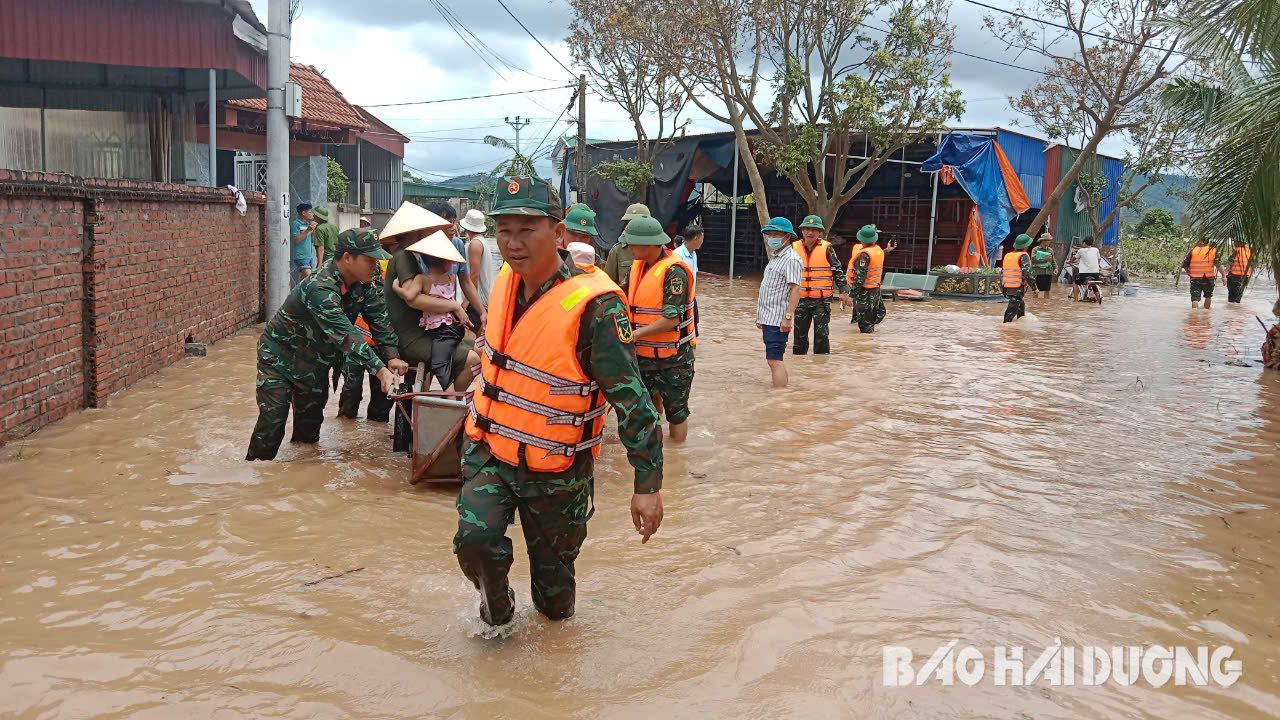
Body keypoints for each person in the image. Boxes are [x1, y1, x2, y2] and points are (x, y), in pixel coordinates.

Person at [455, 176, 664, 627]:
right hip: (491, 453)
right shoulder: (506, 284)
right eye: (504, 230)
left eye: (527, 229)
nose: (513, 243)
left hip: (558, 472)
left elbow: (632, 401)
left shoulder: (597, 307)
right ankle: (498, 613)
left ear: (558, 232)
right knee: (475, 540)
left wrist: (646, 486)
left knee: (554, 606)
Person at [246, 228, 408, 460]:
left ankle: (297, 487)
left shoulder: (366, 282)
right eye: (369, 259)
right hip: (279, 360)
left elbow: (379, 319)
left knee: (308, 434)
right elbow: (345, 334)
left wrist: (391, 356)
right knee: (272, 425)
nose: (375, 265)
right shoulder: (320, 287)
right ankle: (256, 480)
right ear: (347, 258)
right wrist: (379, 370)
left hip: (316, 362)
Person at [624, 216, 696, 443]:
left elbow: (670, 320)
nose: (629, 247)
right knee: (648, 405)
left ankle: (677, 454)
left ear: (651, 245)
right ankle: (657, 446)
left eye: (633, 243)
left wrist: (634, 335)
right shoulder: (638, 266)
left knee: (677, 412)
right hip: (643, 356)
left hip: (674, 358)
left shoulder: (675, 273)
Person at [394, 232, 472, 391]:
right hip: (454, 328)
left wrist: (397, 288)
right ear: (449, 263)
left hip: (441, 331)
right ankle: (453, 398)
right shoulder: (450, 278)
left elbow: (409, 296)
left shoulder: (422, 279)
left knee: (439, 365)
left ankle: (451, 400)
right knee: (447, 360)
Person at [424, 202, 488, 332]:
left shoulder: (458, 245)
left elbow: (466, 281)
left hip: (450, 315)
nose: (453, 228)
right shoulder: (421, 249)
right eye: (447, 223)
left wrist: (482, 311)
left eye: (454, 222)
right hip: (427, 317)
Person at [791, 215, 851, 354]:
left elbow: (837, 270)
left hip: (821, 301)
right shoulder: (793, 248)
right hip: (800, 299)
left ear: (819, 232)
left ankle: (821, 364)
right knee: (799, 335)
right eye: (807, 229)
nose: (810, 233)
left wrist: (843, 291)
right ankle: (800, 365)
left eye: (814, 230)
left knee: (822, 335)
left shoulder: (827, 248)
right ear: (802, 231)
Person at [756, 217, 803, 388]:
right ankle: (779, 397)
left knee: (775, 360)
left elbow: (795, 289)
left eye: (776, 234)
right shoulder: (776, 257)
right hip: (769, 317)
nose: (771, 237)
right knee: (772, 360)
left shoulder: (791, 259)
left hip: (778, 318)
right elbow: (770, 288)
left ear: (788, 236)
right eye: (769, 234)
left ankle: (780, 397)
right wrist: (760, 316)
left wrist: (788, 317)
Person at [849, 225, 887, 333]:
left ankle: (865, 333)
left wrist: (852, 294)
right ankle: (866, 336)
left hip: (868, 291)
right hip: (870, 290)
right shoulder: (875, 251)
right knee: (873, 317)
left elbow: (860, 277)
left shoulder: (866, 254)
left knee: (875, 316)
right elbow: (861, 277)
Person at [603, 202, 650, 291]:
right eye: (629, 223)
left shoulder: (658, 249)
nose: (632, 226)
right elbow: (609, 282)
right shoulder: (618, 250)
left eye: (637, 223)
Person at [461, 208, 501, 307]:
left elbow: (474, 274)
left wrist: (466, 300)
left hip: (476, 300)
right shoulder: (482, 241)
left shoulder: (474, 244)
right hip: (481, 299)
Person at [674, 225, 704, 336]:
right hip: (681, 299)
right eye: (702, 238)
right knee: (681, 329)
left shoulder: (693, 253)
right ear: (696, 238)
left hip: (691, 297)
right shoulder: (677, 255)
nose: (702, 241)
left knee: (694, 326)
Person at [1001, 234, 1037, 323]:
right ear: (1026, 246)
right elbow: (1028, 274)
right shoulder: (1023, 256)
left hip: (1006, 286)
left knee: (1020, 304)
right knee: (1010, 313)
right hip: (1016, 287)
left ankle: (1020, 323)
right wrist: (1034, 288)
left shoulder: (1008, 255)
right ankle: (1006, 329)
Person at [1182, 236, 1218, 309]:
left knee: (1195, 298)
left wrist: (1188, 272)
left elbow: (1185, 264)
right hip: (1208, 277)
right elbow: (1218, 265)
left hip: (1195, 277)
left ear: (1201, 241)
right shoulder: (1213, 250)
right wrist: (1223, 275)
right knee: (1208, 296)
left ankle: (1194, 315)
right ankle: (1206, 314)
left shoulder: (1193, 250)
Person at [290, 203, 318, 285]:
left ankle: (297, 296)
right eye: (310, 212)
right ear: (303, 213)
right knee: (310, 276)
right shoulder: (296, 224)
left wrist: (313, 230)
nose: (312, 214)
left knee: (303, 281)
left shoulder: (307, 224)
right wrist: (308, 230)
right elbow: (296, 240)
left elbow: (311, 240)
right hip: (301, 256)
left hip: (309, 256)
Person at [1071, 237, 1102, 301]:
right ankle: (1098, 299)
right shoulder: (1096, 250)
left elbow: (1074, 258)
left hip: (1084, 274)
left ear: (1084, 243)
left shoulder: (1081, 250)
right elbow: (1099, 259)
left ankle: (1076, 299)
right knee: (1094, 284)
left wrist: (1069, 261)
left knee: (1075, 282)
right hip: (1095, 274)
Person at [1223, 238, 1252, 304]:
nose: (1234, 243)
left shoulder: (1236, 250)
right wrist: (1249, 275)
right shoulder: (1249, 251)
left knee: (1231, 297)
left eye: (1235, 242)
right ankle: (1236, 311)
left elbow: (1230, 262)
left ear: (1240, 242)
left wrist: (1224, 274)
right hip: (1244, 277)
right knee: (1238, 297)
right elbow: (1251, 265)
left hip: (1234, 276)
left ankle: (1231, 312)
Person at [1030, 232, 1057, 299]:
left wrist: (1056, 268)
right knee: (1036, 291)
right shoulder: (1035, 249)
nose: (1049, 242)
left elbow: (1053, 260)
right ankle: (1035, 304)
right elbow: (1033, 260)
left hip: (1048, 272)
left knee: (1047, 290)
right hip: (1038, 272)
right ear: (1043, 241)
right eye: (1048, 240)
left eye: (1050, 240)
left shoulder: (1050, 250)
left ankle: (1045, 304)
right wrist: (1045, 259)